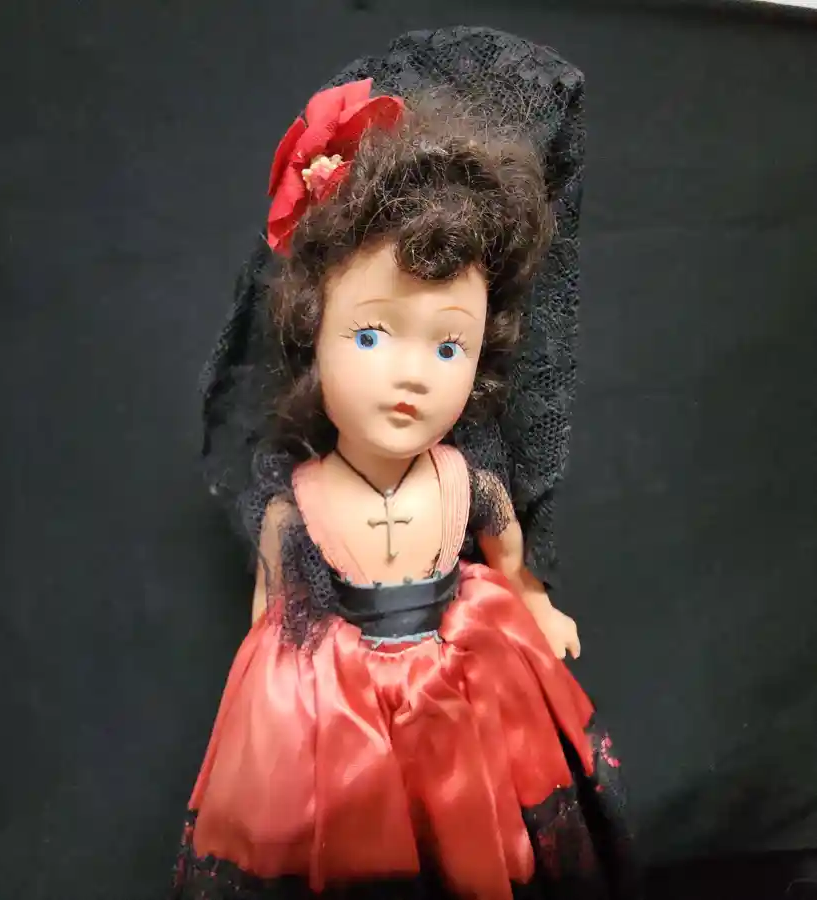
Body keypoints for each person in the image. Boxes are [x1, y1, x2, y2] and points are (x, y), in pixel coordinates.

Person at [172, 28, 639, 900]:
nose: (412, 374)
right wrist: (264, 710)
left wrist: (534, 600)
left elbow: (506, 551)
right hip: (342, 712)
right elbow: (270, 610)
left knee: (480, 839)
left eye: (449, 345)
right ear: (313, 331)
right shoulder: (298, 505)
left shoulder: (467, 484)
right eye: (371, 335)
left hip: (463, 691)